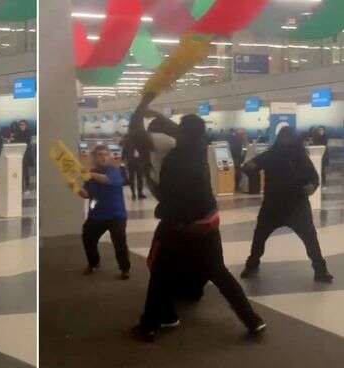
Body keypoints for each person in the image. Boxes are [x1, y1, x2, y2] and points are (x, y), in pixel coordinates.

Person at [129, 95, 265, 342]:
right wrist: (155, 113)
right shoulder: (199, 145)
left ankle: (150, 325)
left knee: (159, 273)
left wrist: (141, 107)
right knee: (219, 273)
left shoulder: (176, 155)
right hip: (208, 222)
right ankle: (252, 320)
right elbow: (177, 129)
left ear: (183, 133)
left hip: (180, 225)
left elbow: (137, 135)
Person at [240, 126, 333, 283]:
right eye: (283, 137)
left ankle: (320, 270)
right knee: (259, 237)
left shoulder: (300, 156)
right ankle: (252, 265)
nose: (285, 140)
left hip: (296, 205)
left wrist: (311, 186)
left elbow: (313, 177)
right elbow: (252, 166)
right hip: (274, 205)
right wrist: (248, 167)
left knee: (310, 239)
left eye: (288, 137)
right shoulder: (272, 154)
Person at [79, 145, 131, 280]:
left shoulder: (115, 170)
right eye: (99, 155)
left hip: (116, 214)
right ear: (95, 158)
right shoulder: (90, 174)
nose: (102, 157)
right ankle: (94, 263)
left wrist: (89, 173)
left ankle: (125, 269)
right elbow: (87, 194)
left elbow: (109, 181)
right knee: (87, 237)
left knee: (119, 241)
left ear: (108, 156)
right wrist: (77, 189)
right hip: (97, 214)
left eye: (105, 154)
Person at [122, 135, 146, 200]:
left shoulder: (128, 138)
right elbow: (145, 150)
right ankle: (138, 194)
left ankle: (135, 194)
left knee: (133, 178)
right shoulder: (141, 137)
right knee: (138, 178)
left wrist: (123, 159)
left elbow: (124, 150)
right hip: (137, 161)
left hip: (132, 161)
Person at [14, 120, 33, 194]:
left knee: (25, 172)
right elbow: (16, 142)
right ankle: (20, 188)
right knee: (19, 172)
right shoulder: (17, 133)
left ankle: (27, 187)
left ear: (26, 125)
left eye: (23, 125)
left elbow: (26, 143)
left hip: (26, 155)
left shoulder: (28, 133)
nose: (21, 126)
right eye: (20, 125)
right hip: (18, 155)